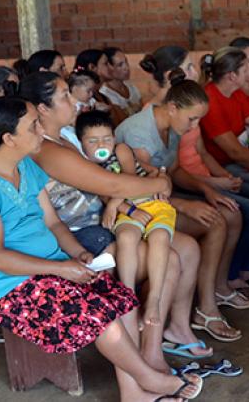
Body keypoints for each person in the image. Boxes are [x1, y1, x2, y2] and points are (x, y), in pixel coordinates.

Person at [0, 97, 202, 401]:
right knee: (101, 316)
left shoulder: (25, 166)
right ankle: (150, 379)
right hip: (6, 286)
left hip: (50, 268)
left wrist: (78, 254)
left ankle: (133, 394)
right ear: (9, 139)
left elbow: (54, 224)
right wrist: (61, 268)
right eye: (34, 125)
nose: (41, 129)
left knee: (122, 300)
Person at [20, 71, 215, 362]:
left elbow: (103, 187)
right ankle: (147, 353)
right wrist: (158, 184)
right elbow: (110, 184)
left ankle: (176, 329)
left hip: (103, 219)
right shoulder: (47, 149)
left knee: (187, 247)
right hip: (81, 235)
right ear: (43, 108)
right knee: (171, 259)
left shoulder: (65, 138)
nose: (73, 101)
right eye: (65, 96)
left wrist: (125, 206)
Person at [116, 74, 245, 342]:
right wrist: (185, 205)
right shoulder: (139, 132)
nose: (195, 126)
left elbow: (173, 171)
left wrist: (205, 189)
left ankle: (210, 299)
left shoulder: (172, 128)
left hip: (158, 204)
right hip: (133, 210)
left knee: (224, 213)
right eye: (192, 119)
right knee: (215, 221)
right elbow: (138, 189)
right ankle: (206, 308)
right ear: (172, 107)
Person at [77, 110, 175, 328]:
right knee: (126, 238)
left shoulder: (121, 150)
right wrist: (125, 209)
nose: (102, 145)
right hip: (127, 209)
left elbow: (129, 178)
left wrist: (114, 204)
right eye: (93, 141)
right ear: (81, 144)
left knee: (160, 237)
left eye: (107, 139)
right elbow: (102, 193)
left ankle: (154, 299)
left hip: (152, 203)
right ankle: (128, 294)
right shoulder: (84, 166)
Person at [199, 47, 249, 290]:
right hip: (223, 167)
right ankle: (235, 271)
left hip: (238, 162)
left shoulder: (235, 93)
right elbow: (233, 151)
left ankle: (248, 266)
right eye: (246, 66)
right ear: (232, 75)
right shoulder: (211, 98)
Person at [99, 47, 143, 117]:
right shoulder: (106, 94)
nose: (126, 68)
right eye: (120, 65)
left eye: (126, 62)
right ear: (109, 67)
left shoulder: (132, 88)